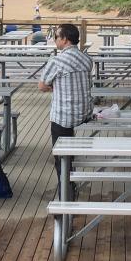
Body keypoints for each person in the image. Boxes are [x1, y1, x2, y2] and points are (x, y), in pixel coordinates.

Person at [37, 23, 93, 185]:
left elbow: (41, 86)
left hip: (64, 116)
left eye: (56, 37)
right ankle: (69, 180)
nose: (55, 40)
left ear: (65, 39)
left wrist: (54, 86)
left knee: (60, 156)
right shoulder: (87, 59)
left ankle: (65, 188)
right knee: (68, 148)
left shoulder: (57, 61)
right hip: (84, 112)